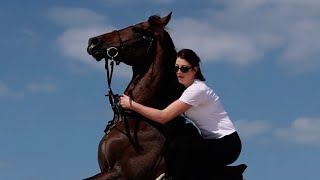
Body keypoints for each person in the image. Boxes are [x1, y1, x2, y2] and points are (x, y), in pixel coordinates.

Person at [119, 49, 242, 180]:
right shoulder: (185, 88)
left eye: (184, 69)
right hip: (210, 141)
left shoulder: (197, 90)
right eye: (176, 68)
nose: (179, 72)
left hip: (226, 145)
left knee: (183, 146)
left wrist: (131, 104)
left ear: (195, 69)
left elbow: (163, 116)